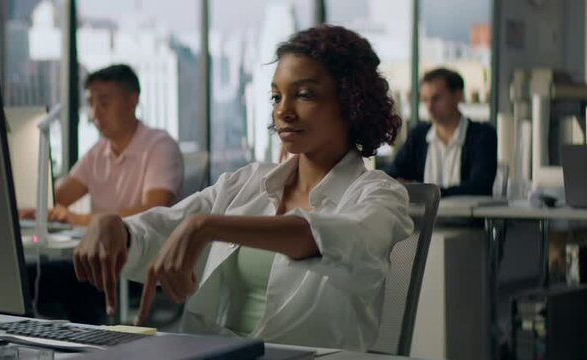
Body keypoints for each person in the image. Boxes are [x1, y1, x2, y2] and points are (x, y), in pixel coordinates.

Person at [71, 25, 414, 350]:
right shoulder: (246, 183)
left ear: (351, 101)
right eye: (277, 97)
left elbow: (328, 238)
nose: (284, 111)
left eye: (305, 95)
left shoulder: (380, 196)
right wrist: (114, 226)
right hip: (214, 352)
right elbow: (163, 226)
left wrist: (206, 227)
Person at [19, 64, 183, 226]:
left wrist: (80, 219)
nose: (95, 114)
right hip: (104, 250)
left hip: (150, 250)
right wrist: (28, 209)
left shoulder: (160, 146)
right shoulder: (97, 152)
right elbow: (56, 199)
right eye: (91, 104)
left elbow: (153, 212)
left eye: (104, 104)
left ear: (132, 101)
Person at [384, 68, 497, 196]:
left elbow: (480, 186)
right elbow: (391, 176)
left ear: (457, 96)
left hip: (466, 215)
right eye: (425, 100)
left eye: (436, 98)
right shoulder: (418, 136)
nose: (429, 107)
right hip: (420, 216)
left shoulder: (482, 136)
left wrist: (427, 193)